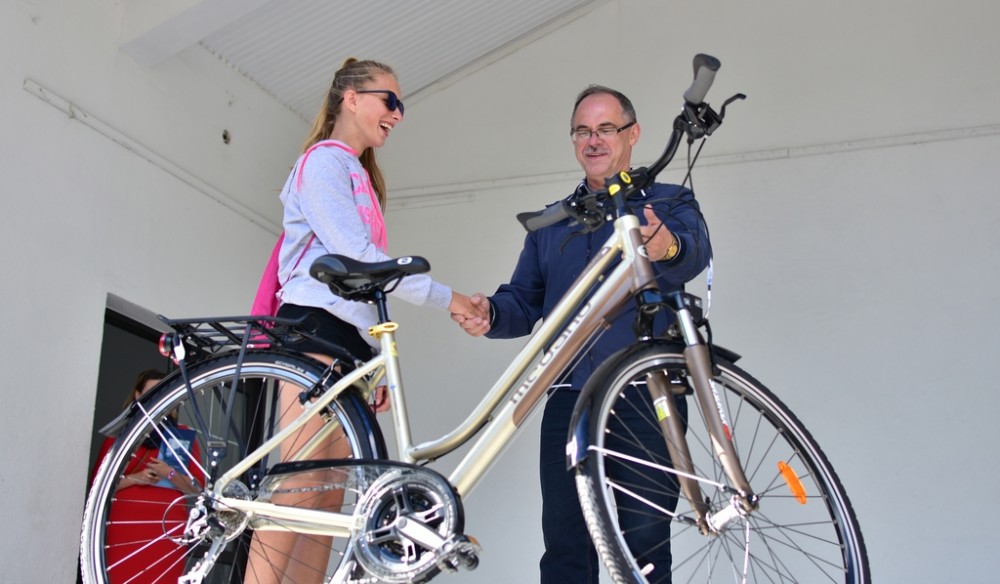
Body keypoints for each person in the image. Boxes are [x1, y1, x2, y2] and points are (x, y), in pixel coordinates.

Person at [454, 85, 713, 583]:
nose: (593, 140)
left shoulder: (670, 200)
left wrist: (667, 247)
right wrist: (490, 313)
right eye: (582, 131)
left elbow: (693, 253)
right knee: (566, 547)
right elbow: (524, 302)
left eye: (606, 129)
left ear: (633, 134)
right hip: (569, 398)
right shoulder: (553, 222)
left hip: (645, 394)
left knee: (644, 547)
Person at [245, 57, 478, 583]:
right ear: (351, 98)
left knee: (327, 497)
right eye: (389, 101)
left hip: (347, 340)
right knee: (298, 484)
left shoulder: (358, 174)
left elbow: (363, 283)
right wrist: (450, 299)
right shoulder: (322, 163)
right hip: (313, 326)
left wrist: (374, 359)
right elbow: (359, 258)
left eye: (402, 106)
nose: (397, 114)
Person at [90, 368, 204, 584]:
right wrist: (137, 478)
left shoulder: (181, 436)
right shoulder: (119, 437)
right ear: (137, 395)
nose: (156, 399)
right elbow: (97, 489)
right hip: (123, 529)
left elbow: (198, 489)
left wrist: (169, 473)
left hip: (166, 530)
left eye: (162, 393)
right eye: (151, 393)